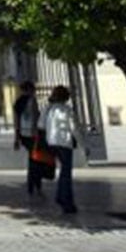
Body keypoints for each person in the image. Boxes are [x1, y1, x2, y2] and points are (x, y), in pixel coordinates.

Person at [43, 84, 78, 215]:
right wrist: (84, 144)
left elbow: (40, 124)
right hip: (64, 143)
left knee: (63, 171)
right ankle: (65, 200)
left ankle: (62, 197)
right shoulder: (67, 110)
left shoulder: (48, 109)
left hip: (51, 143)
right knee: (66, 173)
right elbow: (74, 128)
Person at [12, 80, 46, 198]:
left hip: (23, 135)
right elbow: (35, 117)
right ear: (30, 90)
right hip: (32, 134)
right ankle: (35, 186)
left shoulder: (17, 102)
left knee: (33, 160)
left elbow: (16, 121)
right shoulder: (32, 101)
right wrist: (37, 133)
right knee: (35, 161)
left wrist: (16, 138)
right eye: (33, 89)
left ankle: (33, 186)